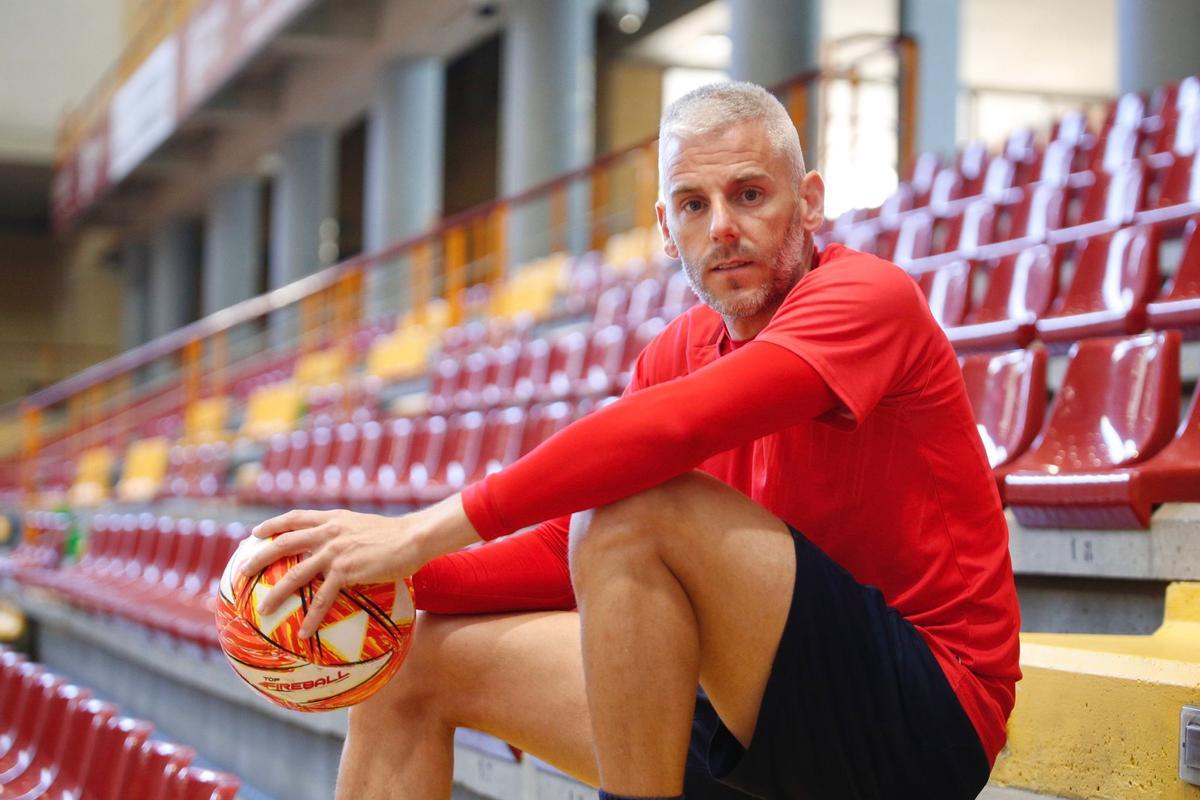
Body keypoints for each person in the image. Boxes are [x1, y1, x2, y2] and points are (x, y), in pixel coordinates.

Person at [240, 81, 1021, 800]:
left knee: (636, 507)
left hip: (920, 723)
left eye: (750, 194)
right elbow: (562, 551)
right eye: (691, 204)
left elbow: (671, 433)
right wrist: (385, 583)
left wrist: (418, 532)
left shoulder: (867, 296)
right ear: (664, 225)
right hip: (749, 713)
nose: (722, 227)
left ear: (810, 202)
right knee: (406, 659)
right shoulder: (675, 350)